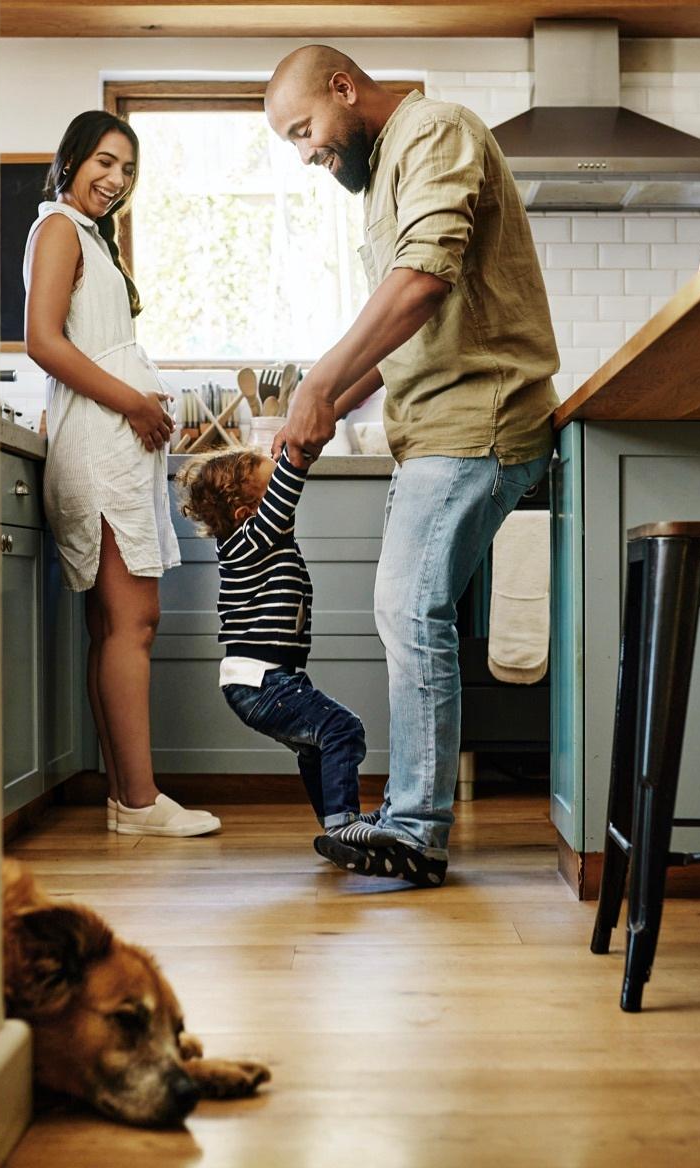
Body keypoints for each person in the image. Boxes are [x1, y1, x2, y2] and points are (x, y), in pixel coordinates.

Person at [264, 46, 560, 885]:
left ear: (344, 88)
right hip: (432, 427)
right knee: (408, 610)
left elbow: (423, 280)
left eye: (305, 130)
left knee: (406, 607)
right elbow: (405, 325)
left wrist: (321, 381)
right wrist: (327, 407)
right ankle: (412, 820)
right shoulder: (387, 166)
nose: (308, 153)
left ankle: (417, 829)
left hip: (479, 420)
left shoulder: (434, 130)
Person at [24, 110, 219, 837]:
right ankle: (139, 803)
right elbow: (43, 340)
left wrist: (142, 401)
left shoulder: (89, 239)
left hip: (109, 443)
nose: (115, 180)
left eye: (128, 170)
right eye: (104, 162)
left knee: (114, 624)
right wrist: (134, 402)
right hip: (102, 448)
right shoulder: (58, 231)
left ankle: (125, 800)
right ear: (71, 159)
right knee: (134, 622)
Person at [175, 445, 372, 849]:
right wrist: (298, 455)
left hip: (269, 679)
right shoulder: (250, 539)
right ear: (247, 515)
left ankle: (336, 823)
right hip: (262, 680)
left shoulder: (252, 544)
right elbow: (286, 495)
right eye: (271, 493)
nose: (285, 510)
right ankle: (343, 824)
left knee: (314, 746)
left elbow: (279, 500)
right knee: (341, 728)